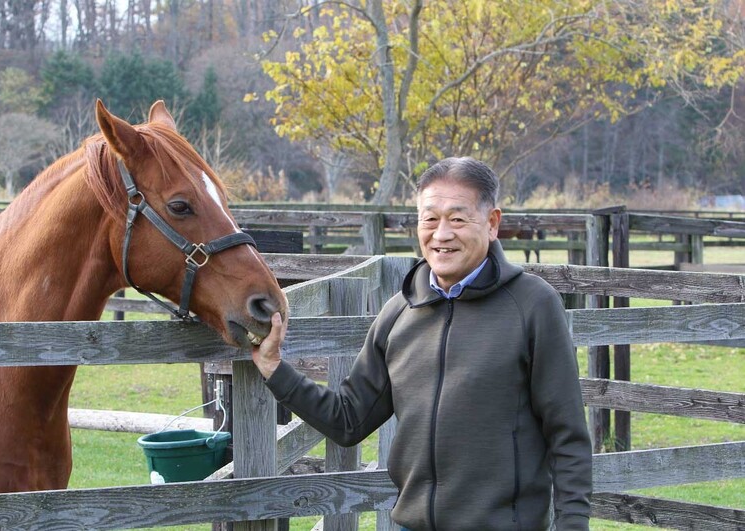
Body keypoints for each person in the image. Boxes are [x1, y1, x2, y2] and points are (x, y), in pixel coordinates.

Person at [252, 157, 592, 531]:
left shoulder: (533, 305)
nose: (441, 234)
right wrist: (274, 367)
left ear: (492, 223)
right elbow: (348, 420)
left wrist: (573, 525)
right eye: (429, 219)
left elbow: (567, 434)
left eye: (458, 219)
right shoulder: (398, 312)